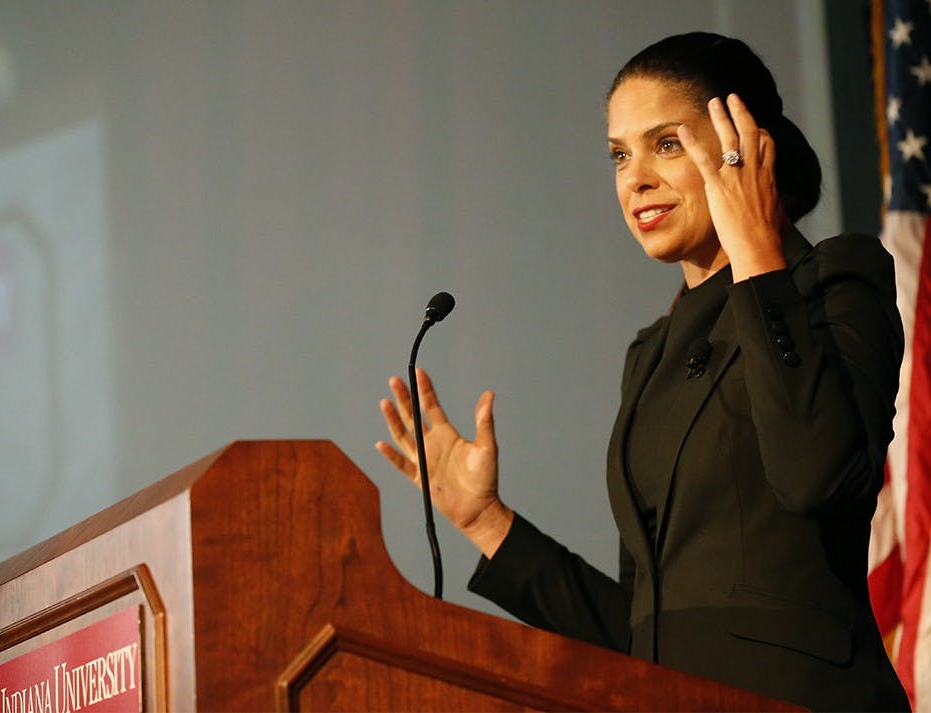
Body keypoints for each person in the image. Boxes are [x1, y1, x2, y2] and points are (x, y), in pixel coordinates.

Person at [376, 32, 910, 711]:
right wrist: (488, 524)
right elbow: (644, 634)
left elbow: (815, 475)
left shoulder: (835, 280)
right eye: (619, 155)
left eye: (666, 143)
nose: (635, 178)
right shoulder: (650, 352)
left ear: (744, 140)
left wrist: (754, 246)